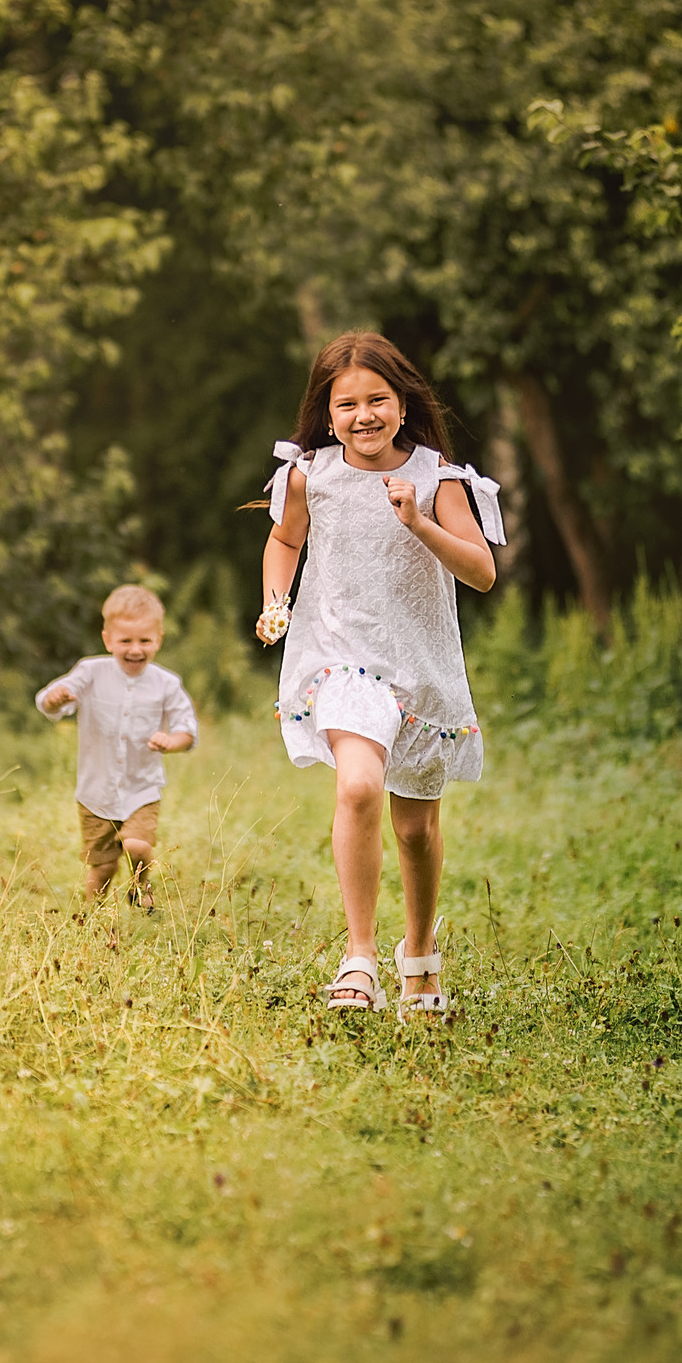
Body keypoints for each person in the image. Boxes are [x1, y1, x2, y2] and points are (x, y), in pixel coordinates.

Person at [256, 332, 504, 1013]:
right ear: (327, 412)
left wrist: (420, 522)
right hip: (344, 661)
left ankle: (418, 956)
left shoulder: (438, 477)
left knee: (416, 831)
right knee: (359, 785)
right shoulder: (311, 474)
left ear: (402, 404)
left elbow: (481, 572)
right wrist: (276, 600)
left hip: (419, 673)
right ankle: (359, 957)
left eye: (377, 400)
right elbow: (284, 539)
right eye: (347, 404)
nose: (363, 415)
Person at [37, 585, 199, 904]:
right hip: (96, 792)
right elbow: (51, 701)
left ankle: (140, 886)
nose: (135, 649)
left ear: (159, 639)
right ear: (108, 639)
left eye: (145, 640)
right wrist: (55, 699)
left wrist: (171, 741)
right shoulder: (90, 672)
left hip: (142, 789)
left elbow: (187, 730)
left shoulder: (166, 683)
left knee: (138, 845)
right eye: (126, 640)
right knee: (103, 866)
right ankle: (92, 916)